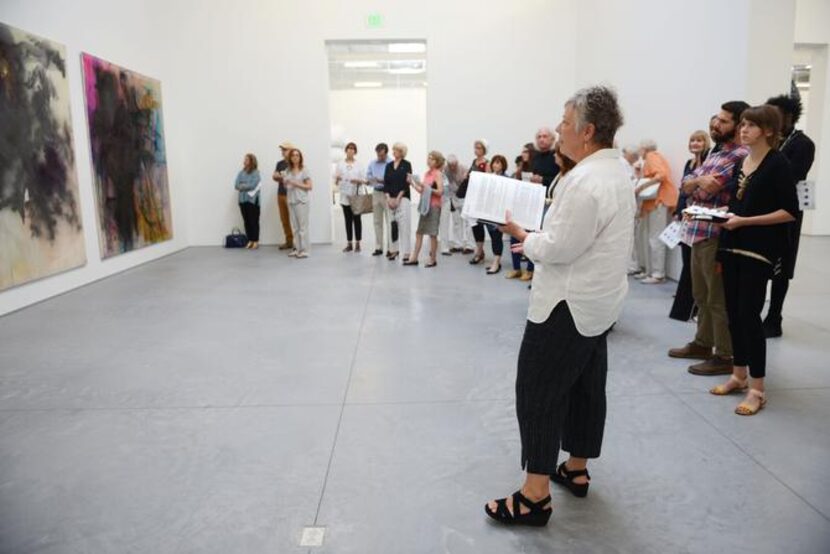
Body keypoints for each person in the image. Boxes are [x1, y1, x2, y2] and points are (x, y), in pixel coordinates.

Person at [486, 85, 633, 527]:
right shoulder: (616, 170)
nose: (557, 128)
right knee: (587, 386)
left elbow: (561, 247)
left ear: (587, 131)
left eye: (565, 123)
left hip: (565, 305)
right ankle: (576, 465)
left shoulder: (586, 181)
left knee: (538, 391)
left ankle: (534, 496)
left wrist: (525, 236)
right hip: (599, 302)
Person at [710, 105, 798, 415]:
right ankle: (738, 374)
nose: (743, 130)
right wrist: (722, 218)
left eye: (751, 125)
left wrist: (744, 222)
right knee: (734, 315)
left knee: (749, 316)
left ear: (769, 131)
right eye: (743, 124)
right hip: (732, 245)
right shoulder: (742, 163)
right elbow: (737, 204)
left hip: (758, 250)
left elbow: (789, 211)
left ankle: (757, 389)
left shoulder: (778, 164)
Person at [668, 101, 749, 376]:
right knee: (700, 294)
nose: (716, 124)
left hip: (715, 235)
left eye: (724, 121)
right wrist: (696, 182)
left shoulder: (740, 155)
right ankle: (703, 343)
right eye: (716, 118)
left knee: (717, 298)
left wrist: (696, 184)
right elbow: (687, 185)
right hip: (697, 233)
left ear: (739, 126)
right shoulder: (716, 153)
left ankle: (725, 354)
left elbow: (704, 191)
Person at [762, 94, 816, 338]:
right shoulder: (771, 140)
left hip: (786, 214)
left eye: (775, 115)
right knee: (763, 264)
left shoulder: (802, 144)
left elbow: (791, 176)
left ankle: (775, 317)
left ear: (788, 116)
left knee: (782, 269)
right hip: (764, 211)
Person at [669, 130, 711, 321]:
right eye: (692, 140)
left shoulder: (707, 162)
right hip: (686, 217)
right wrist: (678, 212)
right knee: (688, 262)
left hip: (700, 220)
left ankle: (695, 306)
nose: (695, 143)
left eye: (699, 140)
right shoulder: (689, 163)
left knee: (696, 265)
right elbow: (683, 191)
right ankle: (687, 303)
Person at [633, 140, 678, 283]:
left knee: (655, 238)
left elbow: (661, 175)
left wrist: (641, 186)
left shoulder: (652, 156)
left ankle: (658, 274)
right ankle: (649, 271)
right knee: (648, 238)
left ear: (644, 149)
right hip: (652, 203)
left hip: (659, 201)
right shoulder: (649, 160)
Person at [404, 151, 445, 268]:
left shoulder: (438, 174)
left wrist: (427, 188)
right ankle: (414, 258)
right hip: (425, 206)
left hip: (434, 206)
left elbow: (440, 192)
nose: (429, 161)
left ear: (437, 162)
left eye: (432, 159)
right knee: (419, 232)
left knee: (432, 234)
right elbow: (422, 191)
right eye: (428, 158)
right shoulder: (427, 173)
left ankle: (433, 259)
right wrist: (412, 183)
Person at [383, 142, 413, 262]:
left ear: (401, 152)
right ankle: (393, 250)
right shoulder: (389, 165)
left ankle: (406, 252)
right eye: (393, 150)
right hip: (390, 199)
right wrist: (389, 198)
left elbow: (406, 183)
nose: (393, 152)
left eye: (395, 150)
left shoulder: (407, 164)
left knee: (404, 226)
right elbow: (386, 183)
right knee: (392, 226)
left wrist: (398, 198)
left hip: (403, 198)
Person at [335, 142, 365, 253]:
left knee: (357, 219)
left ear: (355, 151)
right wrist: (337, 178)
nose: (350, 150)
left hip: (356, 195)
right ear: (346, 150)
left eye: (353, 149)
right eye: (349, 148)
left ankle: (358, 243)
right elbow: (336, 180)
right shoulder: (340, 164)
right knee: (347, 220)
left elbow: (364, 180)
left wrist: (357, 181)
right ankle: (349, 244)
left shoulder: (359, 164)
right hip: (344, 195)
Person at [283, 148, 313, 259]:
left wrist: (296, 183)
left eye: (297, 155)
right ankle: (298, 249)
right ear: (290, 158)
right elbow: (287, 185)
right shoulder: (288, 171)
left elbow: (309, 186)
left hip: (302, 201)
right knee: (295, 227)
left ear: (300, 157)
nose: (295, 157)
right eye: (293, 155)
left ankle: (305, 250)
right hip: (291, 200)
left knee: (303, 227)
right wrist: (286, 182)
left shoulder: (304, 170)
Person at [483, 155, 509, 275]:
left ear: (503, 165)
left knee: (497, 236)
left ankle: (496, 262)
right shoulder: (490, 177)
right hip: (489, 210)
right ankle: (496, 260)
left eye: (498, 163)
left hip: (500, 211)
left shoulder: (506, 178)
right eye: (494, 162)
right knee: (493, 236)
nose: (495, 165)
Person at [466, 140, 491, 265]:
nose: (476, 150)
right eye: (475, 147)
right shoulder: (473, 162)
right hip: (473, 196)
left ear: (484, 150)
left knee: (483, 224)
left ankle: (480, 251)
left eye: (479, 148)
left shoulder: (487, 163)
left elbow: (488, 179)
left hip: (482, 198)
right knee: (475, 225)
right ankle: (479, 250)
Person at [366, 143, 391, 256]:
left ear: (386, 153)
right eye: (378, 154)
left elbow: (393, 180)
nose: (379, 157)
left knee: (389, 221)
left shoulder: (391, 163)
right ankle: (379, 247)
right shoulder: (372, 163)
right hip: (376, 193)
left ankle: (391, 248)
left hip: (387, 193)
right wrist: (371, 179)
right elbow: (368, 176)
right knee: (377, 221)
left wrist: (382, 180)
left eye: (381, 155)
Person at [445, 155, 473, 254]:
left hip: (465, 198)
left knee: (468, 222)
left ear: (457, 163)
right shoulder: (446, 170)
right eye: (450, 165)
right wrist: (450, 200)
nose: (452, 167)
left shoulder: (464, 168)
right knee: (456, 222)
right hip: (454, 197)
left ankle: (470, 246)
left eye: (454, 165)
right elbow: (447, 185)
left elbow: (467, 184)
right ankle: (458, 244)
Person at [234, 153, 261, 249]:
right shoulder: (240, 173)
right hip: (242, 200)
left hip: (252, 201)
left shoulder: (256, 173)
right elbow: (236, 185)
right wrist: (246, 185)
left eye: (246, 159)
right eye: (244, 159)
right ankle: (250, 240)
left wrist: (243, 185)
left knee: (253, 221)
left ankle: (255, 241)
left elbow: (253, 185)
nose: (244, 161)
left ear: (251, 161)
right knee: (246, 221)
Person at [271, 142, 295, 250]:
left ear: (290, 150)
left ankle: (297, 243)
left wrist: (281, 177)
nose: (282, 152)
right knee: (284, 219)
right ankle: (289, 241)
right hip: (280, 194)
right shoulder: (279, 163)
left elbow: (293, 178)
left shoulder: (295, 163)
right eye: (282, 150)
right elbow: (275, 176)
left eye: (284, 150)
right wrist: (281, 177)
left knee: (295, 219)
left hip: (291, 194)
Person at [529, 128, 560, 192]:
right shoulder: (535, 156)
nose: (541, 139)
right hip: (537, 193)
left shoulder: (558, 156)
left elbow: (561, 179)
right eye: (539, 137)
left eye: (545, 136)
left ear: (552, 139)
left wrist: (543, 180)